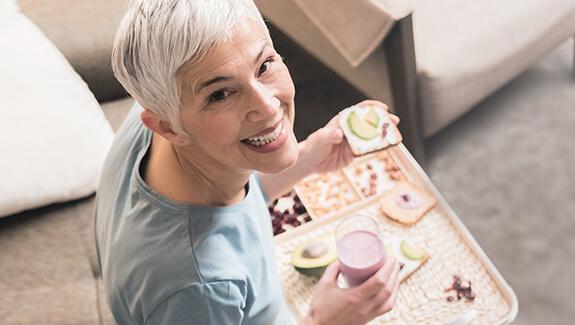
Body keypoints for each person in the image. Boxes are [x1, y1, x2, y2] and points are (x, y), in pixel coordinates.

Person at [94, 0, 400, 324]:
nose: (268, 107)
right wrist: (326, 320)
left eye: (265, 65)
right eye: (221, 94)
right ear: (167, 126)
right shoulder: (202, 288)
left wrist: (309, 156)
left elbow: (227, 205)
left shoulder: (161, 118)